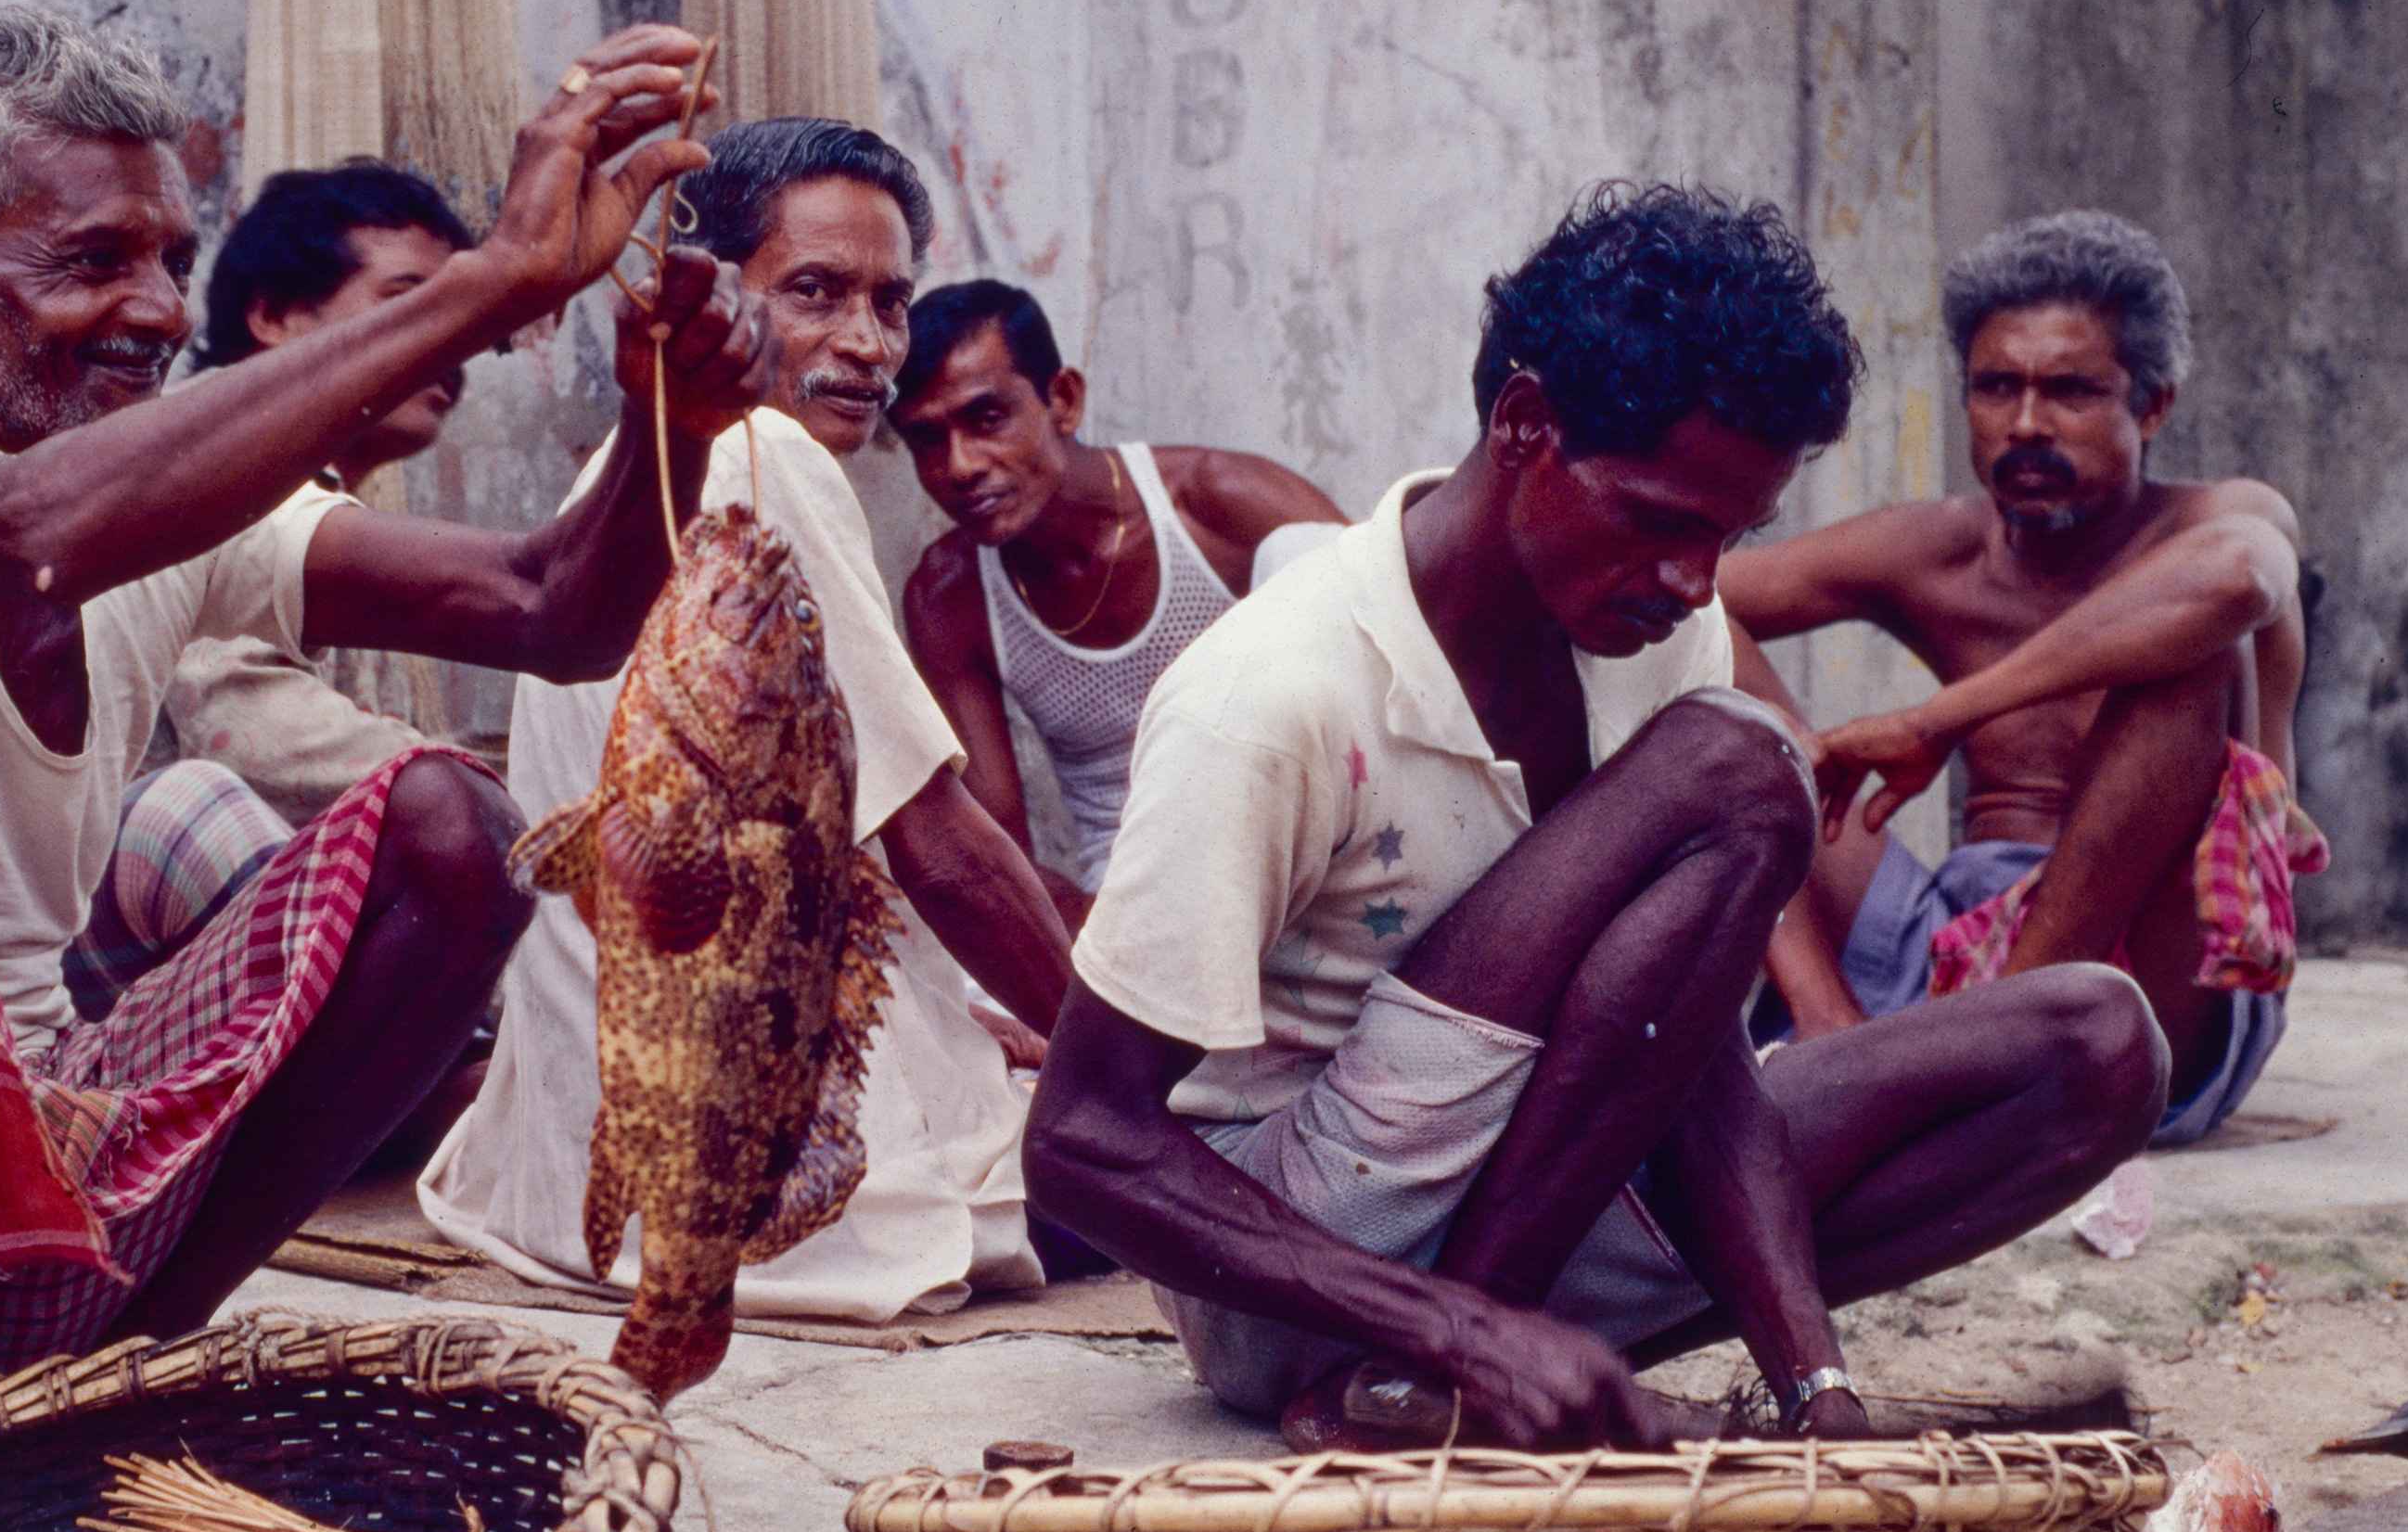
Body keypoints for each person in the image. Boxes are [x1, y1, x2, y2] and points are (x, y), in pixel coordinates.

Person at [0, 7, 766, 1459]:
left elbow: (550, 609)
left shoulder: (172, 501)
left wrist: (672, 424)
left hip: (14, 1235)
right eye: (94, 262)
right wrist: (493, 282)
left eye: (173, 261)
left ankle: (129, 1369)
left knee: (456, 830)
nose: (154, 310)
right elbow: (32, 533)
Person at [1021, 185, 2170, 1452]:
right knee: (1743, 768)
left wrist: (1816, 1390)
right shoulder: (1275, 690)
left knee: (2098, 1041)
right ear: (1525, 426)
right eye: (1661, 522)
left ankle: (1470, 1381)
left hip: (1546, 1204)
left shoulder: (1649, 643)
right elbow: (1081, 1143)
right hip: (1299, 1275)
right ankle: (1437, 1367)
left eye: (1729, 537)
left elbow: (1684, 1044)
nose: (1693, 585)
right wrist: (1455, 1329)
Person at [420, 120, 1079, 1322]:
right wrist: (1114, 1068)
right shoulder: (759, 452)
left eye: (892, 302)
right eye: (815, 293)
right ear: (708, 293)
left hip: (588, 1165)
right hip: (761, 1187)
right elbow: (939, 843)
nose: (869, 345)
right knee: (1230, 1151)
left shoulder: (637, 467)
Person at [1720, 211, 2318, 1147]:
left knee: (2195, 658)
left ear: (2152, 405)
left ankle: (1981, 1061)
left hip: (2149, 968)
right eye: (1996, 388)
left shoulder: (2217, 519)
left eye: (2072, 392)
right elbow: (1682, 591)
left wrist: (1939, 720)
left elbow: (2241, 579)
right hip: (1942, 933)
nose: (2027, 425)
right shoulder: (1939, 550)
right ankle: (1833, 1028)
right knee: (1690, 659)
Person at [56, 159, 469, 1020]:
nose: (451, 339)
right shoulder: (211, 456)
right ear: (276, 316)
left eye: (463, 312)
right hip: (99, 924)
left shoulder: (325, 500)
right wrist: (504, 808)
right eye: (408, 301)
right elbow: (248, 729)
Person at [892, 281, 1345, 928]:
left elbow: (1394, 661)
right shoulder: (950, 597)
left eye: (987, 419)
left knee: (1311, 553)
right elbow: (996, 851)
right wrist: (1103, 928)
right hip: (1130, 893)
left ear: (1065, 400)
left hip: (1294, 854)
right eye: (926, 441)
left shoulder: (1215, 502)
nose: (959, 466)